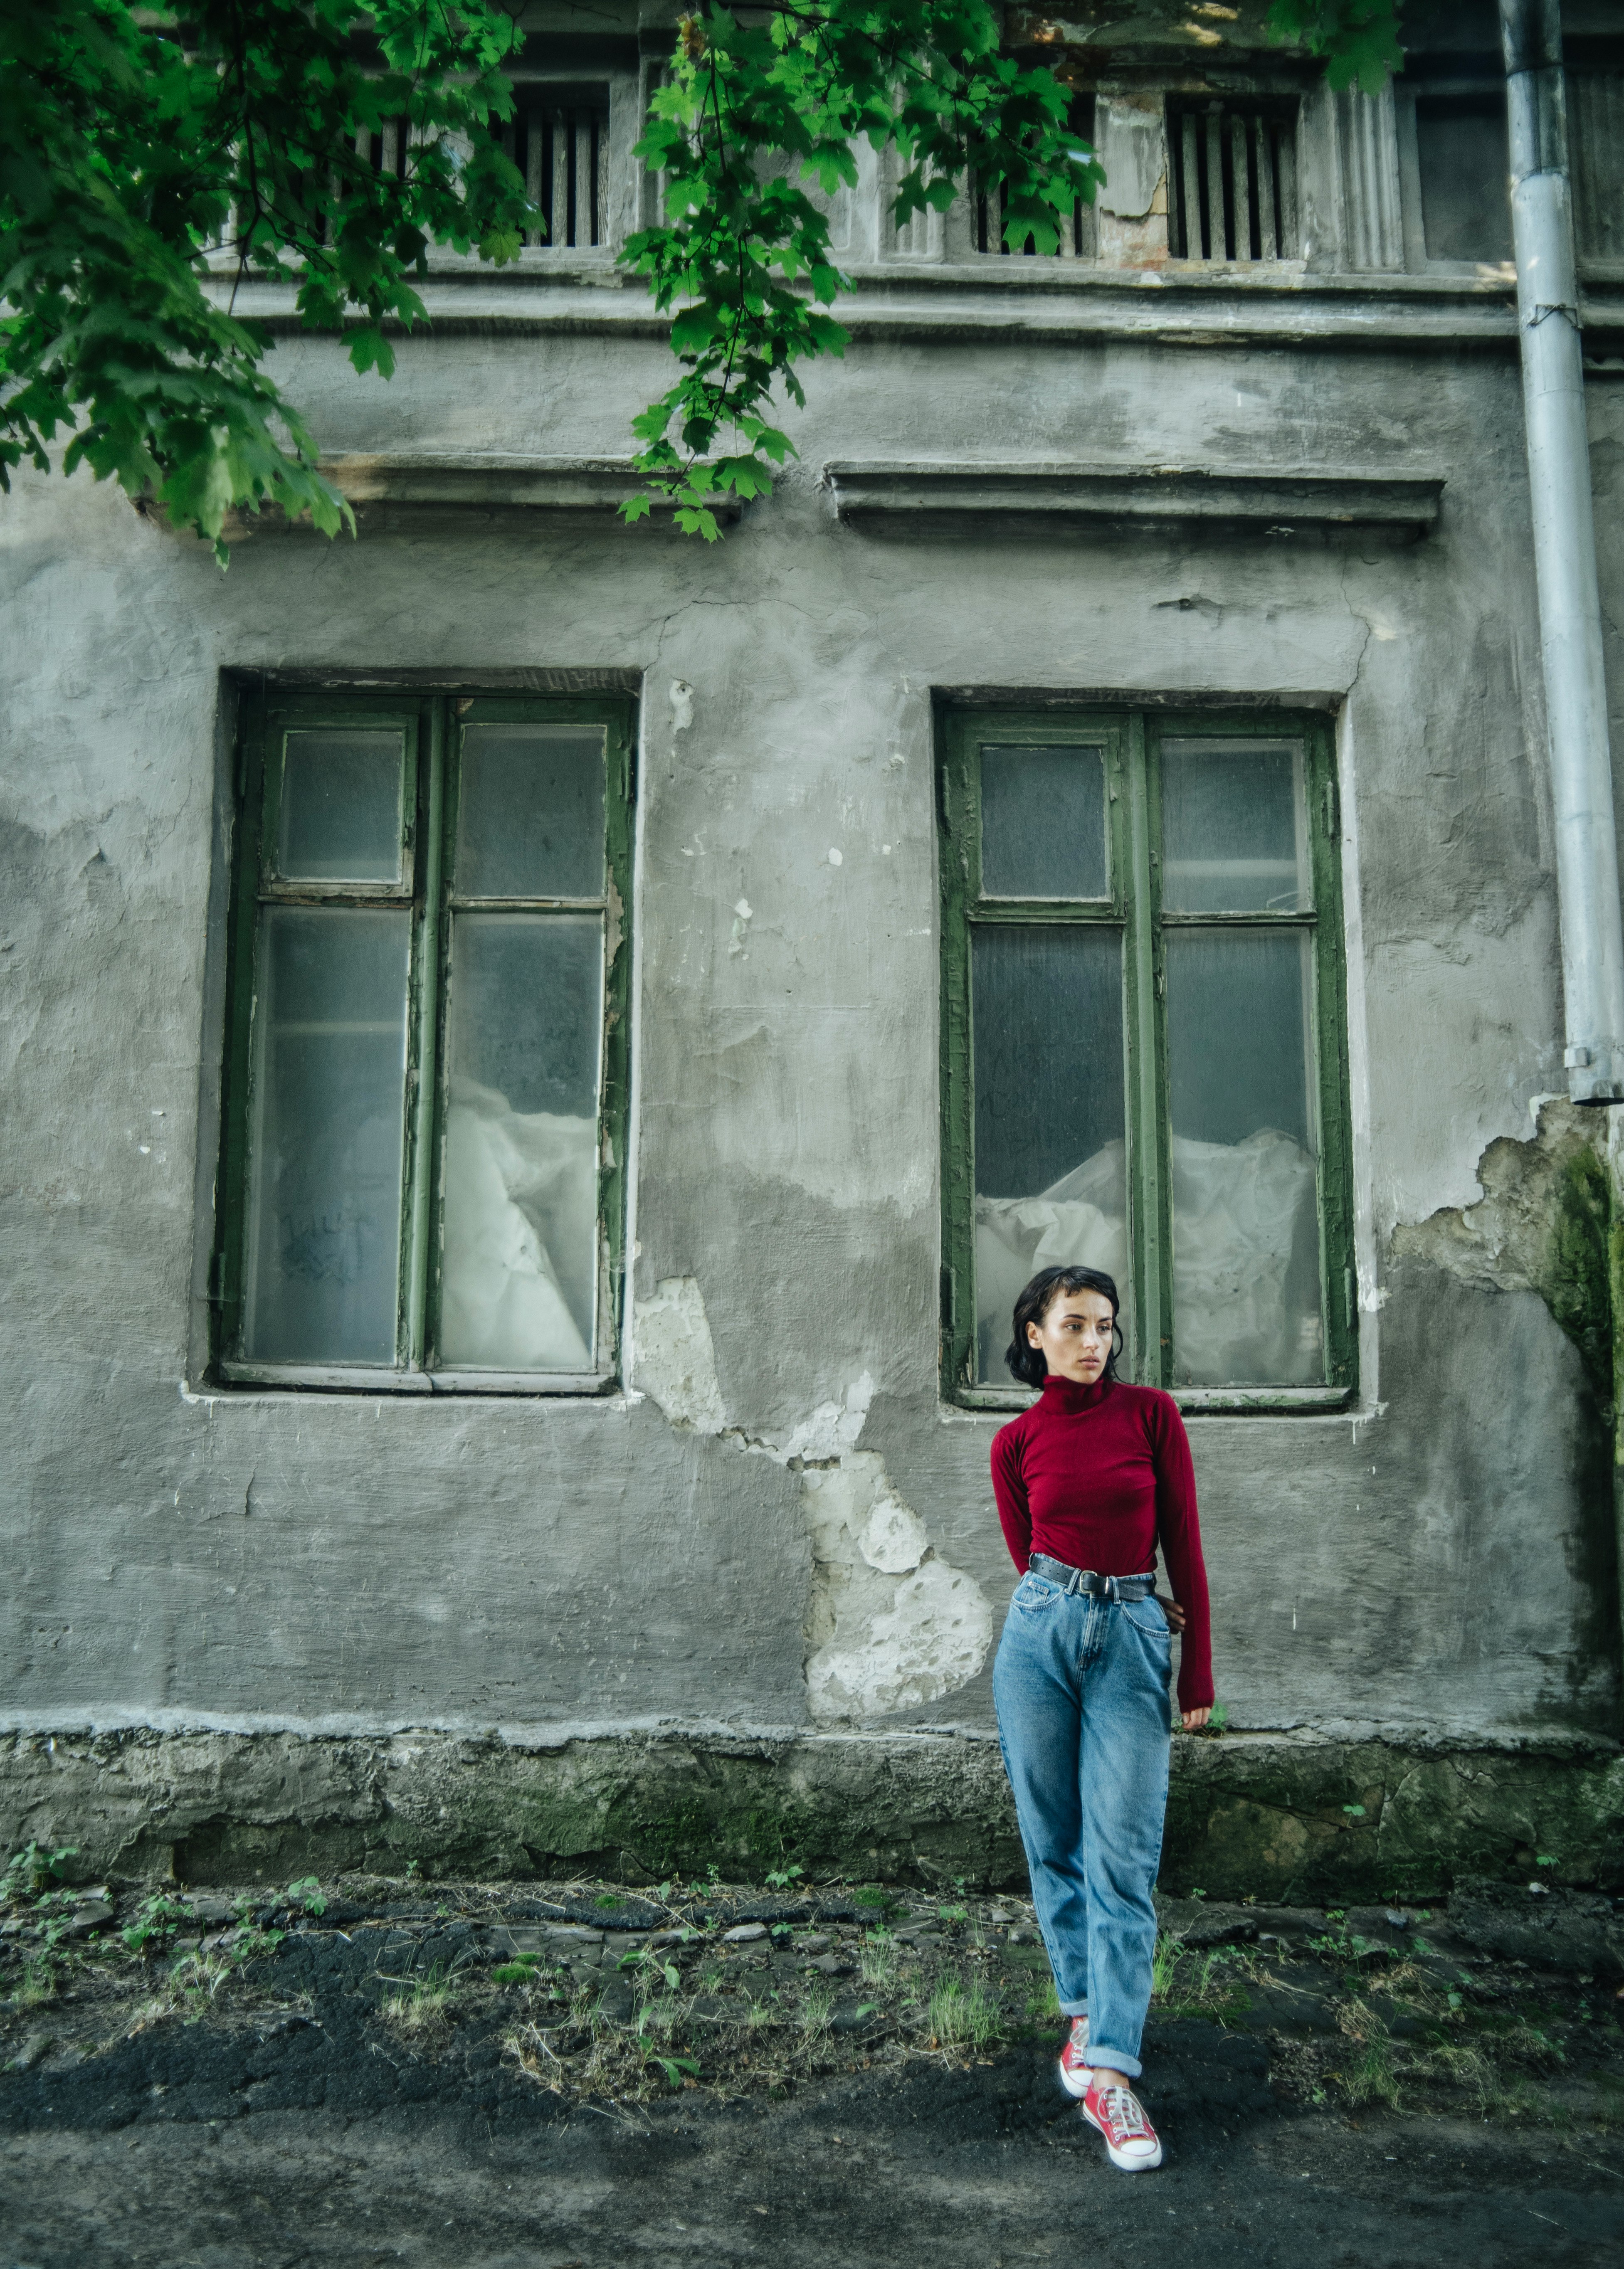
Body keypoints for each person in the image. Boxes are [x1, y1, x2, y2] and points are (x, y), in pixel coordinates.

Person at [990, 1264, 1212, 2172]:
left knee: (1123, 1854)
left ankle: (1115, 2073)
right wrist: (1064, 1603)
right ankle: (1085, 2013)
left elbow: (1184, 1542)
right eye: (1075, 1324)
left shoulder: (1151, 1414)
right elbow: (1026, 1550)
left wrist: (1192, 1670)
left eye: (1106, 1327)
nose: (1095, 1341)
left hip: (1130, 1636)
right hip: (1039, 1634)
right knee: (1053, 1840)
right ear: (1036, 1333)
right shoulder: (1013, 1442)